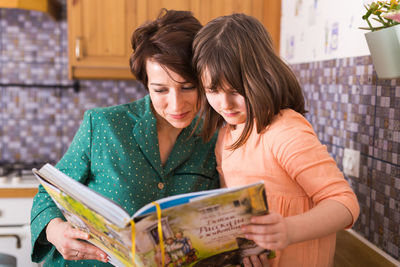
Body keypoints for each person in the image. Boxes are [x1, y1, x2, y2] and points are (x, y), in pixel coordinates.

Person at [30, 9, 219, 266]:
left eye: (188, 87)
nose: (176, 104)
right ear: (146, 83)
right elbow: (48, 194)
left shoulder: (213, 140)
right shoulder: (104, 126)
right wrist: (55, 231)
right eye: (160, 89)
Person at [193, 13, 360, 267]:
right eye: (213, 91)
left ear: (261, 77)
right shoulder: (226, 136)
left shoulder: (285, 130)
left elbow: (344, 203)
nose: (224, 104)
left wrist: (289, 230)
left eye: (236, 91)